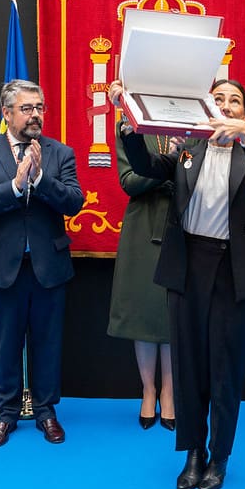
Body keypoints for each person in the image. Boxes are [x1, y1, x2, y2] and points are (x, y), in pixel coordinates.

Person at [109, 79, 245, 489]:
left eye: (235, 101)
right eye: (218, 99)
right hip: (188, 266)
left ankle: (219, 457)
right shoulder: (186, 150)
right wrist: (127, 121)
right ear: (206, 108)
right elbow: (144, 167)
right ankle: (194, 453)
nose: (226, 106)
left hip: (233, 270)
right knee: (188, 366)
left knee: (225, 369)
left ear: (244, 113)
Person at [0, 79, 84, 447]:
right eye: (27, 108)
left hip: (49, 267)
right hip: (3, 268)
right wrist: (15, 186)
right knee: (6, 345)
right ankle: (5, 414)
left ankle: (46, 413)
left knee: (48, 345)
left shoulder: (60, 153)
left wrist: (41, 178)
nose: (35, 115)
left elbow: (73, 202)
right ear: (7, 113)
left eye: (39, 108)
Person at [108, 131, 176, 431]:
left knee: (173, 311)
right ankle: (148, 390)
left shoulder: (195, 125)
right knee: (143, 313)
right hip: (142, 226)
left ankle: (169, 392)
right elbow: (129, 182)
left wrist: (165, 171)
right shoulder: (131, 127)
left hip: (183, 223)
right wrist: (168, 167)